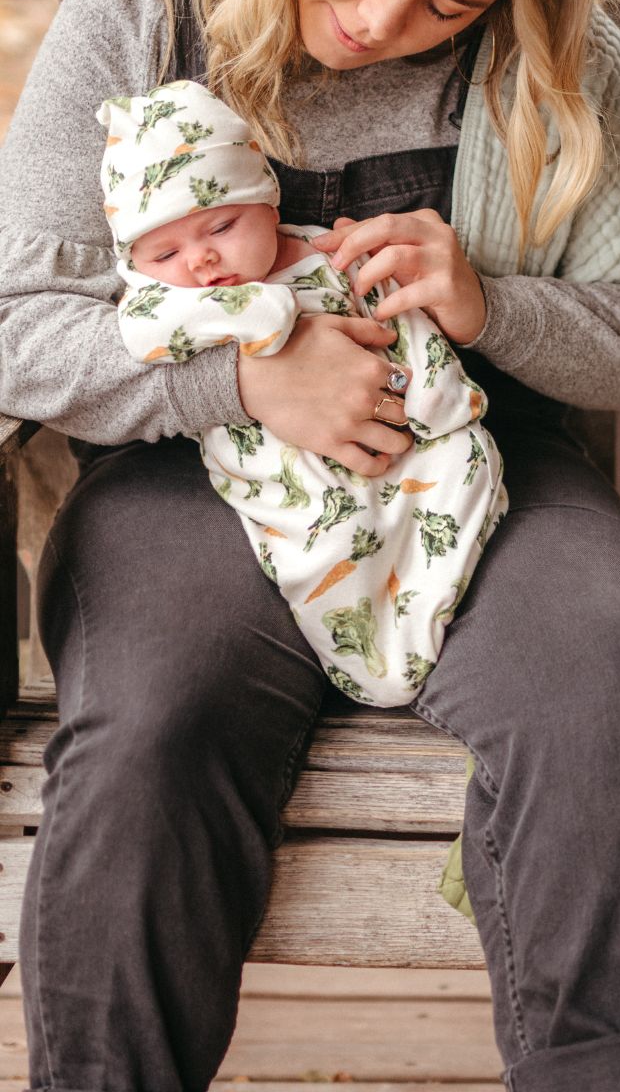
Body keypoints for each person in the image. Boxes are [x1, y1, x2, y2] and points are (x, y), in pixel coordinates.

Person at [0, 0, 620, 1087]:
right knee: (157, 714)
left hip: (479, 465)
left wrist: (493, 306)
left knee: (597, 692)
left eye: (447, 4)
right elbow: (14, 325)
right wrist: (243, 383)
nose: (380, 18)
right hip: (183, 476)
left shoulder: (555, 63)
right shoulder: (143, 13)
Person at [101, 78, 507, 706]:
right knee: (329, 544)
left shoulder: (327, 255)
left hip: (402, 438)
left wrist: (438, 400)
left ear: (268, 202)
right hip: (288, 474)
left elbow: (404, 323)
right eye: (165, 252)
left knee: (466, 466)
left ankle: (425, 612)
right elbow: (142, 330)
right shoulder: (172, 304)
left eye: (223, 225)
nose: (202, 262)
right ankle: (382, 668)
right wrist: (259, 319)